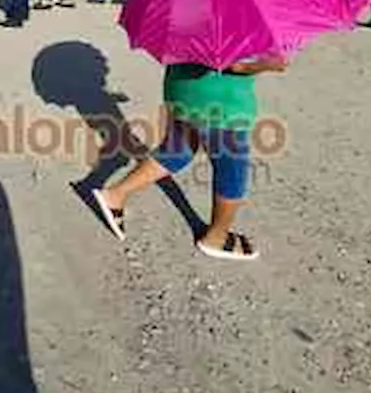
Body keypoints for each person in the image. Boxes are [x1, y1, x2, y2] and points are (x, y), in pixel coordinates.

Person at [92, 58, 287, 260]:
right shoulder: (245, 26)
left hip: (181, 88)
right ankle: (216, 237)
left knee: (179, 149)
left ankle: (115, 194)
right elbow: (237, 65)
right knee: (232, 171)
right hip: (221, 103)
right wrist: (270, 64)